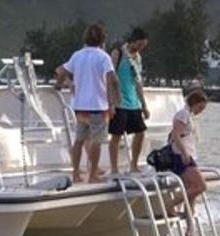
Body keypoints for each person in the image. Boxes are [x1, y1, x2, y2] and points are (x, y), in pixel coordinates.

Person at [55, 23, 120, 183]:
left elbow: (62, 71)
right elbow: (113, 80)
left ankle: (76, 173)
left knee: (79, 140)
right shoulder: (103, 57)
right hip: (98, 106)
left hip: (79, 106)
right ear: (102, 39)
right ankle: (93, 175)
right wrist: (113, 102)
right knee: (96, 141)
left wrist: (60, 84)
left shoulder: (77, 55)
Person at [109, 27, 150, 173]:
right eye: (139, 45)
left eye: (143, 47)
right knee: (116, 136)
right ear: (133, 41)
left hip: (134, 103)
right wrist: (111, 103)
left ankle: (134, 164)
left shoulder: (137, 58)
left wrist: (144, 105)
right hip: (120, 102)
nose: (140, 49)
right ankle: (114, 168)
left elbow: (138, 82)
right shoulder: (118, 53)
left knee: (141, 132)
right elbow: (109, 78)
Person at [169, 87, 209, 236]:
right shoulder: (183, 114)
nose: (201, 111)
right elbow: (176, 135)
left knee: (192, 195)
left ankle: (190, 230)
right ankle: (170, 204)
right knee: (200, 186)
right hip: (182, 156)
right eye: (200, 107)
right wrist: (185, 153)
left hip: (190, 155)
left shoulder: (189, 115)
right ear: (194, 103)